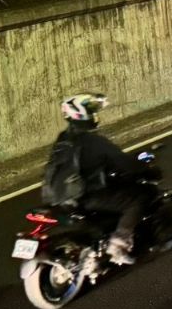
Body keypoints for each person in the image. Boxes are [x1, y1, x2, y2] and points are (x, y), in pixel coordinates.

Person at [57, 93, 148, 265]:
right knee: (137, 199)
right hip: (86, 195)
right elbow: (121, 161)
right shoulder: (93, 141)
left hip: (61, 197)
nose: (95, 115)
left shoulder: (63, 139)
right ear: (82, 114)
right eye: (91, 112)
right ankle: (118, 245)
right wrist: (144, 170)